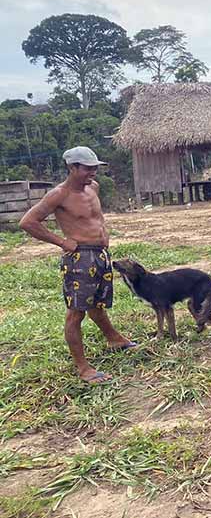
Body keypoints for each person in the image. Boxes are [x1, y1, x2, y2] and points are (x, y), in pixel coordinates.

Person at [19, 146, 136, 384]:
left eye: (95, 169)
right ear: (72, 168)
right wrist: (62, 241)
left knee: (96, 304)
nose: (93, 173)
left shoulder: (93, 187)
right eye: (88, 169)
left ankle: (114, 339)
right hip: (80, 259)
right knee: (76, 313)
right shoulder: (59, 194)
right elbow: (28, 222)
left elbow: (95, 219)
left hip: (101, 255)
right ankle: (84, 369)